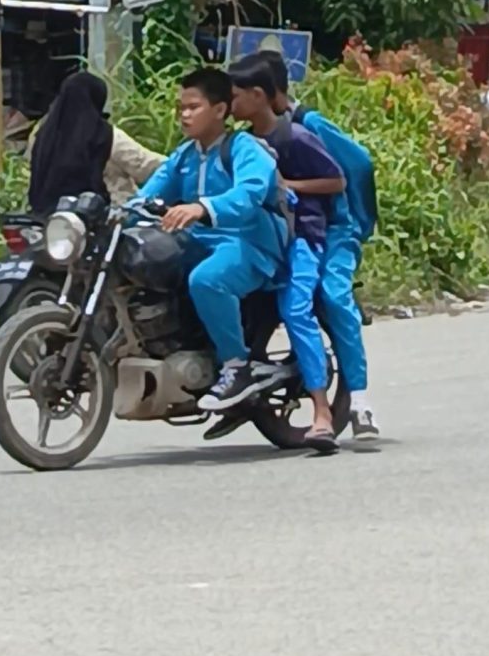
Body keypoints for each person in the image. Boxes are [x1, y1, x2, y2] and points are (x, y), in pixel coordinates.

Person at [134, 67, 288, 408]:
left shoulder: (246, 148)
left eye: (193, 107)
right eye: (181, 109)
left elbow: (249, 196)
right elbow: (146, 196)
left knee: (207, 280)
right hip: (199, 242)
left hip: (248, 244)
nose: (185, 115)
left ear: (220, 110)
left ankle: (237, 365)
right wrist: (114, 214)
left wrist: (201, 208)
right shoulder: (185, 156)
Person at [227, 55, 347, 453]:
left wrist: (289, 184)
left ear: (258, 96)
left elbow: (337, 180)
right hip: (262, 236)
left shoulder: (295, 137)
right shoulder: (242, 143)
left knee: (296, 308)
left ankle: (322, 413)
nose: (230, 105)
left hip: (302, 235)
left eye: (236, 97)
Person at [266, 50, 380, 440]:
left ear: (270, 95)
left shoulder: (308, 123)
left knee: (333, 295)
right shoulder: (255, 135)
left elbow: (359, 163)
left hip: (336, 230)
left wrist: (358, 223)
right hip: (294, 232)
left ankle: (361, 404)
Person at [27, 71, 166, 217]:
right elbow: (146, 166)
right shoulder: (105, 134)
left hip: (48, 220)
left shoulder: (40, 135)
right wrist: (181, 163)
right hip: (103, 221)